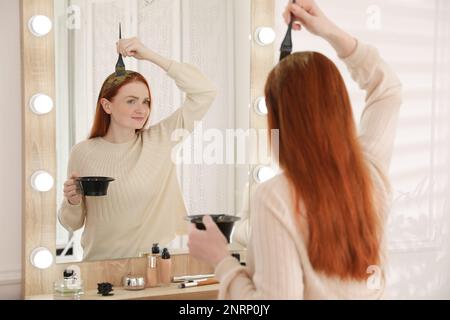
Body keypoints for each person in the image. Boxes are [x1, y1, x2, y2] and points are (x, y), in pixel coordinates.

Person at [188, 0, 402, 299]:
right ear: (339, 106)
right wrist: (327, 30)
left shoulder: (276, 198)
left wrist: (221, 260)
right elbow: (387, 89)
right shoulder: (370, 173)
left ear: (279, 119)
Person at [58, 37, 217, 261]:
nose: (141, 109)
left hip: (152, 271)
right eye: (131, 101)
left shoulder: (160, 140)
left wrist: (151, 55)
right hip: (98, 270)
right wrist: (72, 201)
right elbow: (71, 223)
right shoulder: (82, 152)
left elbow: (204, 92)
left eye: (146, 102)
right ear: (107, 105)